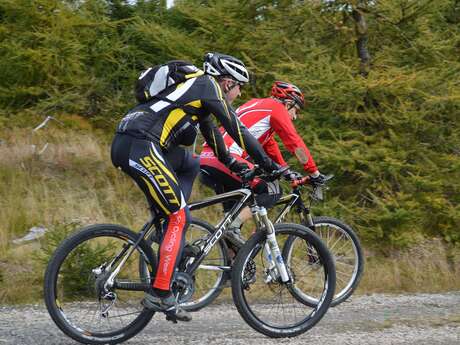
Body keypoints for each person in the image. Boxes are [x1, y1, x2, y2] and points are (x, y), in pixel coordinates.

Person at [110, 52, 280, 322]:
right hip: (141, 145)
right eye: (239, 88)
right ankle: (161, 292)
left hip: (132, 142)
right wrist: (268, 164)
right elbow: (236, 128)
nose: (238, 94)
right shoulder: (207, 85)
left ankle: (172, 235)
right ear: (227, 83)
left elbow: (213, 136)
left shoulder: (196, 96)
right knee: (177, 215)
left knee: (190, 163)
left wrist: (234, 165)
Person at [200, 81, 327, 249]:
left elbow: (269, 146)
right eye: (295, 110)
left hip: (207, 157)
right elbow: (295, 143)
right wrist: (314, 173)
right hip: (226, 158)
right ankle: (232, 228)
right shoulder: (276, 108)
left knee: (232, 221)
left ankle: (231, 270)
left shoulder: (254, 104)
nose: (295, 117)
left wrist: (286, 171)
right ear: (288, 103)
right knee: (272, 189)